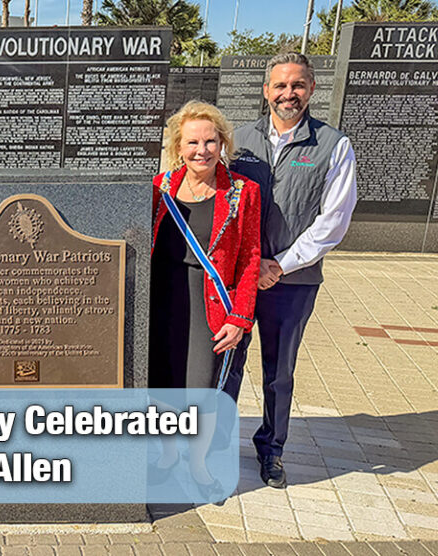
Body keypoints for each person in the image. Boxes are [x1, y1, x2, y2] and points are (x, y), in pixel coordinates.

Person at [225, 52, 358, 489]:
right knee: (226, 363)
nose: (288, 94)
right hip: (237, 279)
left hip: (293, 281)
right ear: (266, 91)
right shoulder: (238, 141)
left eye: (297, 85)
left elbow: (334, 220)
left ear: (311, 89)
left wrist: (280, 263)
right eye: (280, 85)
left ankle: (271, 449)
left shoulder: (334, 146)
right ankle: (218, 447)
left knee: (279, 370)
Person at [149, 101, 261, 493]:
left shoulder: (244, 193)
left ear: (223, 143)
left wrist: (240, 318)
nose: (202, 150)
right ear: (179, 146)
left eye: (210, 141)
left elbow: (249, 259)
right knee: (161, 386)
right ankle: (166, 454)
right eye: (193, 142)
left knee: (201, 390)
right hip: (161, 299)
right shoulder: (159, 188)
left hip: (208, 304)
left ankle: (196, 465)